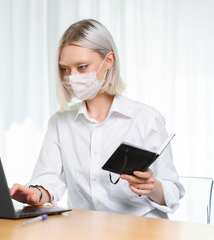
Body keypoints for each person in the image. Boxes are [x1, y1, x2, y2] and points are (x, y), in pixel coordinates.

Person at [10, 19, 184, 218]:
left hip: (140, 231)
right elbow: (49, 180)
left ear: (108, 61)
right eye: (64, 69)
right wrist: (35, 194)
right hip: (84, 230)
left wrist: (152, 186)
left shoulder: (146, 119)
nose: (71, 77)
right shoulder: (60, 123)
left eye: (82, 67)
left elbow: (173, 192)